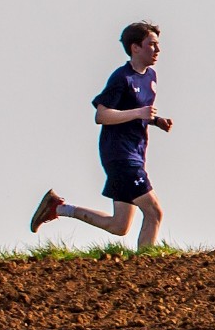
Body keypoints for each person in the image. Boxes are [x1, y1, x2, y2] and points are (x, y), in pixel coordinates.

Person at [30, 22, 175, 250]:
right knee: (154, 212)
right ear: (135, 47)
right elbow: (102, 115)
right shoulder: (122, 78)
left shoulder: (151, 77)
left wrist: (155, 120)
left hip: (136, 152)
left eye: (158, 45)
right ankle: (146, 264)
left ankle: (57, 208)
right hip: (121, 155)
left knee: (119, 225)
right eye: (152, 44)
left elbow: (135, 111)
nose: (158, 50)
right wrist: (139, 113)